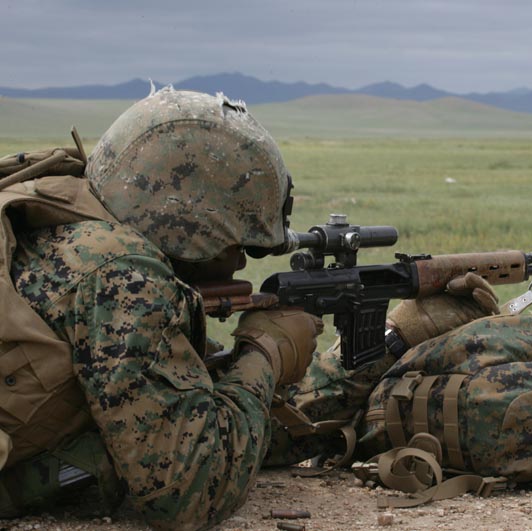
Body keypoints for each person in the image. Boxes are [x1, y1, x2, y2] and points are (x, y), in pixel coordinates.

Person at [0, 88, 495, 530]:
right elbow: (189, 494)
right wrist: (265, 351)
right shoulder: (122, 277)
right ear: (188, 221)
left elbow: (231, 419)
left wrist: (399, 337)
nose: (240, 259)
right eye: (240, 243)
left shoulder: (64, 214)